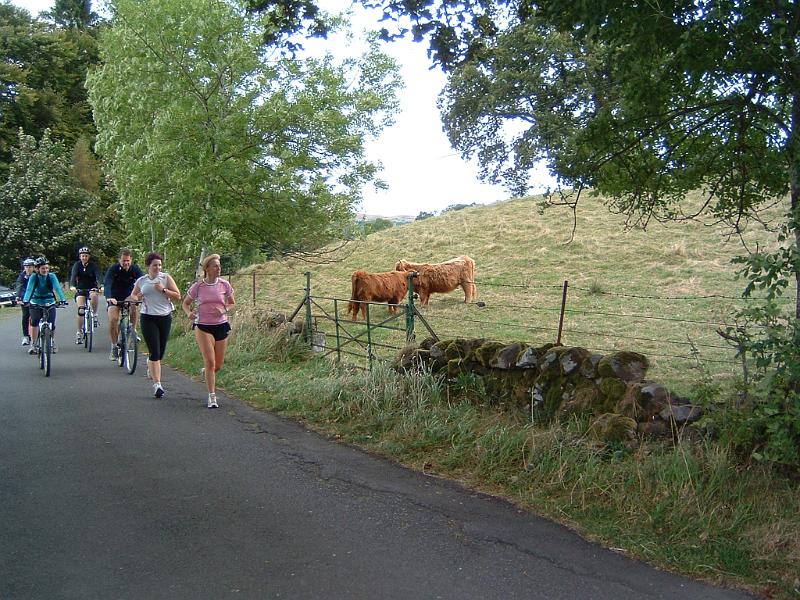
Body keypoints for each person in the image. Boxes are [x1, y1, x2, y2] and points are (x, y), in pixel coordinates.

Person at [182, 254, 235, 409]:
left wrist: (224, 310)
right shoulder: (198, 286)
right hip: (203, 326)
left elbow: (232, 303)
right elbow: (185, 303)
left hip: (221, 325)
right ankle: (212, 396)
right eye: (215, 266)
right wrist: (189, 313)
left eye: (219, 266)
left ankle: (206, 372)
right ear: (207, 269)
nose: (219, 268)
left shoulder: (224, 284)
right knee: (210, 362)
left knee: (218, 365)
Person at [128, 252, 180, 398]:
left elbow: (178, 295)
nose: (158, 267)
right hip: (148, 317)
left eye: (160, 265)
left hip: (164, 317)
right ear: (148, 266)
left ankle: (150, 363)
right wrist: (137, 297)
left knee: (160, 352)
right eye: (155, 265)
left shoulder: (166, 278)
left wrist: (163, 289)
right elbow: (133, 294)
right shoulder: (142, 281)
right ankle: (157, 385)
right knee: (155, 352)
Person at [103, 249, 144, 361]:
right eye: (123, 261)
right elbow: (107, 283)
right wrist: (109, 297)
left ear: (131, 260)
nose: (126, 263)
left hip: (129, 295)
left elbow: (143, 282)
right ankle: (114, 346)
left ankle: (133, 331)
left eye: (128, 261)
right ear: (119, 260)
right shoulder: (113, 269)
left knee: (133, 305)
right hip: (114, 297)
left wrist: (142, 294)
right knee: (113, 319)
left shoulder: (135, 269)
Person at [22, 256, 68, 354]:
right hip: (36, 302)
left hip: (49, 301)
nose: (45, 270)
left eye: (47, 268)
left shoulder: (51, 276)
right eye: (43, 268)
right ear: (37, 269)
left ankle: (51, 342)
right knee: (34, 322)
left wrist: (63, 299)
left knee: (52, 323)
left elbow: (57, 288)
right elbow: (29, 289)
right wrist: (26, 300)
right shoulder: (34, 277)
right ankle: (33, 344)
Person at [69, 246, 102, 344]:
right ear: (80, 257)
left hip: (92, 287)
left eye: (86, 256)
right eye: (82, 256)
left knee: (94, 296)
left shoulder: (93, 266)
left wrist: (101, 285)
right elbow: (73, 276)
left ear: (89, 257)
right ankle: (79, 332)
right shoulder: (77, 265)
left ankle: (94, 315)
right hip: (80, 288)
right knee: (81, 310)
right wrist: (72, 286)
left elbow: (99, 276)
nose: (84, 257)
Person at [14, 257, 36, 346]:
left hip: (36, 297)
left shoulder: (37, 275)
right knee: (26, 316)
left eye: (30, 267)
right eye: (26, 267)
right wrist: (18, 297)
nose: (28, 269)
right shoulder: (22, 276)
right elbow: (19, 286)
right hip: (25, 297)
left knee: (38, 316)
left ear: (34, 267)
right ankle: (26, 336)